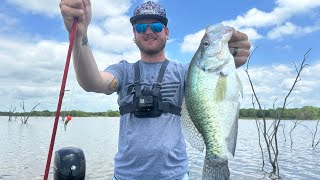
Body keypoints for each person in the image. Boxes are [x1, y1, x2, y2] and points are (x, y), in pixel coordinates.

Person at [59, 0, 251, 179]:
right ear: (134, 35)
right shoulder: (124, 71)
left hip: (175, 175)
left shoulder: (186, 71)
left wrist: (233, 54)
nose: (149, 31)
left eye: (156, 26)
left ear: (166, 32)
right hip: (126, 175)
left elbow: (215, 79)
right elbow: (92, 82)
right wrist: (79, 36)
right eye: (141, 27)